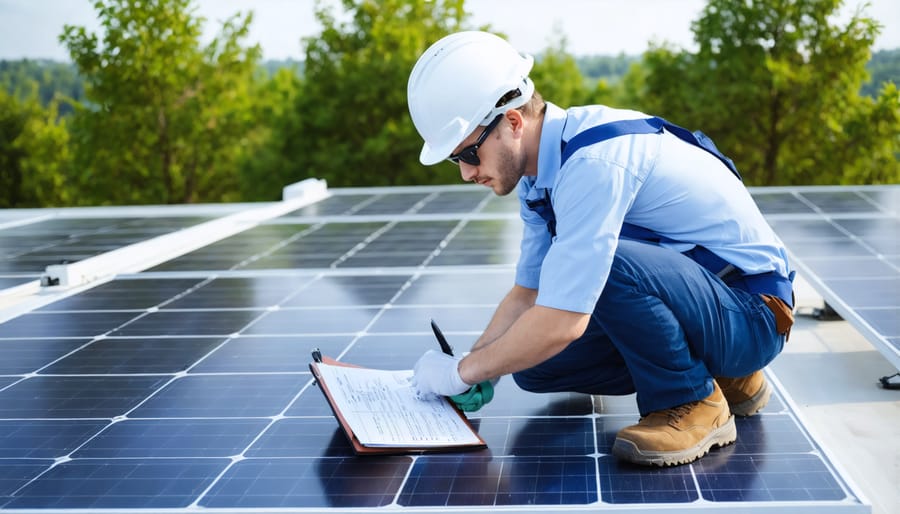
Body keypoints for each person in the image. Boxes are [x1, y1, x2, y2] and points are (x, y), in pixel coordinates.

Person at [406, 31, 795, 467]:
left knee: (600, 272)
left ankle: (693, 401)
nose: (465, 173)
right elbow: (529, 294)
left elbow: (564, 321)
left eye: (470, 153)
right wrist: (474, 363)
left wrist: (459, 374)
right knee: (534, 366)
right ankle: (728, 375)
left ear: (513, 123)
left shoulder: (594, 162)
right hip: (706, 303)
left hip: (753, 313)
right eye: (455, 159)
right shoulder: (539, 179)